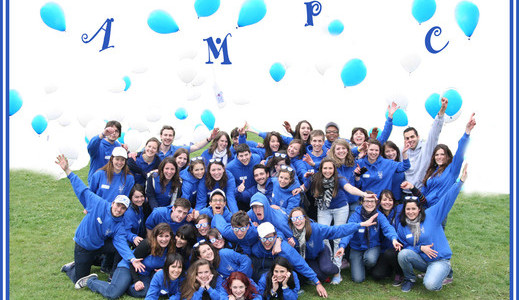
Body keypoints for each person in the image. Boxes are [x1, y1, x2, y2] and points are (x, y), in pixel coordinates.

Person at [56, 154, 143, 289]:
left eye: (123, 208)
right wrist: (67, 170)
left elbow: (120, 243)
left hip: (99, 244)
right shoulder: (98, 203)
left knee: (119, 244)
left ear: (126, 210)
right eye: (118, 205)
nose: (119, 209)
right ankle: (72, 267)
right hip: (84, 244)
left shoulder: (120, 224)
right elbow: (81, 189)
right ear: (113, 203)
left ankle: (105, 268)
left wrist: (132, 259)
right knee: (79, 282)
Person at [397, 165, 468, 292]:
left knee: (430, 285)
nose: (411, 212)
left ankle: (445, 270)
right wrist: (420, 248)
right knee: (403, 254)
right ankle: (410, 279)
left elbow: (447, 199)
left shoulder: (432, 214)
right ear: (404, 210)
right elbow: (406, 246)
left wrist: (460, 181)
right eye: (408, 209)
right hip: (423, 260)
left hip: (439, 259)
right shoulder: (402, 226)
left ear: (419, 209)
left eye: (414, 209)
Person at [287, 207, 378, 285]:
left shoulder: (316, 228)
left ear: (305, 218)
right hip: (308, 258)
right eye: (294, 219)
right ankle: (320, 273)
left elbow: (337, 230)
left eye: (300, 217)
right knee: (320, 276)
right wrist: (292, 246)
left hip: (321, 251)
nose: (297, 221)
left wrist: (360, 224)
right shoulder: (289, 232)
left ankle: (336, 273)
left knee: (327, 268)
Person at [86, 223, 175, 298]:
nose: (164, 239)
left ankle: (123, 287)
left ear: (171, 236)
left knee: (144, 292)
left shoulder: (171, 248)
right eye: (161, 236)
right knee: (112, 293)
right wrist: (136, 281)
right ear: (155, 236)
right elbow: (133, 263)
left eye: (167, 236)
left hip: (145, 273)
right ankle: (91, 281)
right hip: (128, 267)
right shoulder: (147, 244)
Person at [335, 192, 402, 283]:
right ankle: (358, 265)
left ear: (376, 203)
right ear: (362, 202)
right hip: (356, 248)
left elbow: (387, 228)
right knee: (358, 279)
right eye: (367, 201)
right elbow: (348, 232)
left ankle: (367, 265)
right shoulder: (355, 216)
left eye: (372, 201)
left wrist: (394, 239)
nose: (369, 204)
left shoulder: (379, 215)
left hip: (373, 246)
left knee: (370, 260)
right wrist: (342, 246)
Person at [251, 222, 327, 298]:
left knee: (295, 275)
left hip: (285, 269)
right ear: (259, 238)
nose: (267, 242)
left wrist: (317, 283)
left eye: (270, 238)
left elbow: (300, 264)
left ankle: (292, 289)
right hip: (269, 269)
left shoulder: (285, 249)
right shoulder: (256, 249)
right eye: (264, 239)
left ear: (275, 237)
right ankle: (272, 290)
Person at [421, 113, 476, 208]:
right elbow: (424, 191)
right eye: (437, 155)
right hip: (424, 210)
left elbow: (460, 153)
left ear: (447, 156)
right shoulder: (431, 171)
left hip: (438, 210)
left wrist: (467, 132)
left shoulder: (452, 170)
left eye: (442, 154)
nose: (439, 157)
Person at [403, 97, 448, 189]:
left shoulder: (426, 148)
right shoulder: (402, 151)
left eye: (412, 137)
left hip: (420, 192)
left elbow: (434, 133)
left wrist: (442, 111)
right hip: (404, 193)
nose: (410, 140)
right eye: (407, 138)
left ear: (418, 137)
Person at [370, 190, 405, 286]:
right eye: (384, 200)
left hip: (398, 247)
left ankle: (400, 273)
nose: (387, 202)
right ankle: (391, 269)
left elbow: (416, 205)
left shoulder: (399, 210)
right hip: (383, 249)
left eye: (390, 200)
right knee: (377, 275)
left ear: (394, 201)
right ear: (379, 201)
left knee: (390, 254)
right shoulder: (376, 214)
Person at [227, 144, 262, 211]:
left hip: (256, 196)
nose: (244, 158)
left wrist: (265, 161)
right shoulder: (230, 167)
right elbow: (230, 192)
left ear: (250, 154)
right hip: (241, 199)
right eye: (241, 156)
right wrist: (237, 189)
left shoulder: (257, 158)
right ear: (237, 156)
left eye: (246, 155)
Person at [327, 139, 358, 214]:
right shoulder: (331, 165)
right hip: (339, 204)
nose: (341, 151)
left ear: (348, 150)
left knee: (353, 224)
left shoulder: (354, 164)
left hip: (353, 201)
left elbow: (358, 184)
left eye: (343, 148)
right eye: (338, 149)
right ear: (334, 151)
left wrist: (358, 177)